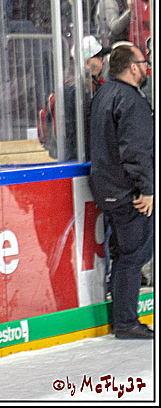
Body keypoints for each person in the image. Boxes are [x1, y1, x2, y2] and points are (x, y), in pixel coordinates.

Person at [88, 43, 154, 339]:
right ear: (132, 67)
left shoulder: (105, 93)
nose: (146, 67)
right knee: (133, 255)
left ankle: (124, 318)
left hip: (108, 189)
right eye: (143, 62)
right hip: (127, 192)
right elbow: (136, 151)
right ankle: (126, 322)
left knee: (124, 255)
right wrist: (145, 189)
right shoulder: (131, 100)